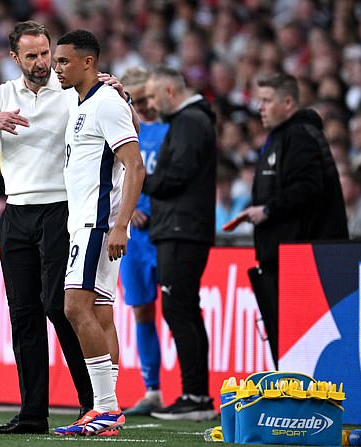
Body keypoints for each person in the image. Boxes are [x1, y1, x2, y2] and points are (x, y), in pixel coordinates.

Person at [0, 21, 93, 435]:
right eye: (32, 55)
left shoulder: (69, 90)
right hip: (16, 213)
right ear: (16, 59)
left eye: (45, 53)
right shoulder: (2, 95)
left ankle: (91, 403)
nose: (42, 62)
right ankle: (33, 413)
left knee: (57, 307)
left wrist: (114, 87)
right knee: (23, 315)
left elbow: (105, 100)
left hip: (58, 209)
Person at [52, 30, 145, 436]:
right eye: (56, 62)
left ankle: (104, 407)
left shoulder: (106, 103)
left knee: (75, 307)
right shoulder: (85, 103)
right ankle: (109, 411)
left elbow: (135, 165)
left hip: (97, 224)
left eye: (64, 62)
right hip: (87, 223)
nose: (57, 69)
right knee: (102, 313)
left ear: (88, 62)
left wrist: (120, 224)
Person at [234, 72, 349, 366]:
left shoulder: (299, 135)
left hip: (303, 259)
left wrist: (268, 210)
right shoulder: (279, 137)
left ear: (287, 103)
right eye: (259, 100)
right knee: (285, 341)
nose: (260, 107)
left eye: (267, 100)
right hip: (283, 256)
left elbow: (308, 186)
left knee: (301, 343)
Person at [143, 65, 218, 421]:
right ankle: (197, 395)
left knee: (179, 308)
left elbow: (177, 174)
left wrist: (142, 179)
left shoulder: (189, 122)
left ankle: (195, 395)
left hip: (181, 229)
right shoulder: (194, 121)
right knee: (184, 308)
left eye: (155, 97)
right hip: (183, 227)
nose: (152, 105)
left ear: (170, 92)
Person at [117, 67, 169, 416]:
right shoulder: (118, 131)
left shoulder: (171, 130)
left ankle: (193, 390)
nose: (144, 105)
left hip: (165, 233)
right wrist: (127, 207)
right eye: (135, 98)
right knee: (141, 310)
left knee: (177, 309)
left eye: (147, 97)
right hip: (133, 238)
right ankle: (153, 390)